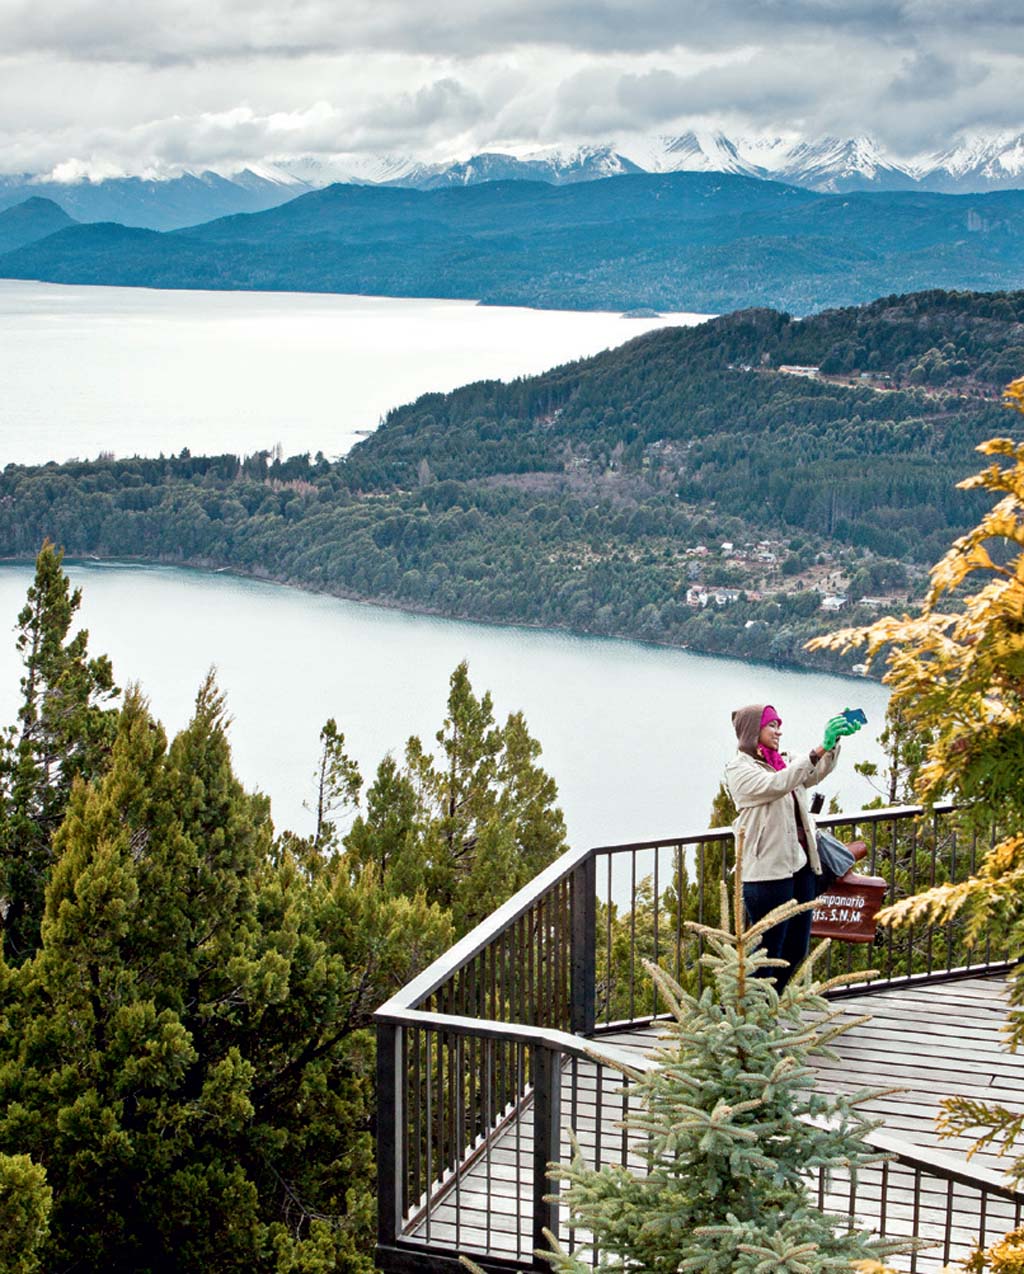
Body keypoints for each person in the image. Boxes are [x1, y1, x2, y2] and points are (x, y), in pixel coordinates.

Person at [724, 704, 861, 991]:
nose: (779, 731)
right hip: (767, 873)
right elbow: (778, 784)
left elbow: (813, 773)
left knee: (795, 949)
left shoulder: (783, 760)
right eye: (772, 725)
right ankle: (744, 1018)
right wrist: (817, 750)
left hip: (799, 866)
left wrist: (833, 743)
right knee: (767, 954)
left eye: (779, 724)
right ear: (753, 731)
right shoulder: (739, 769)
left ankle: (769, 1013)